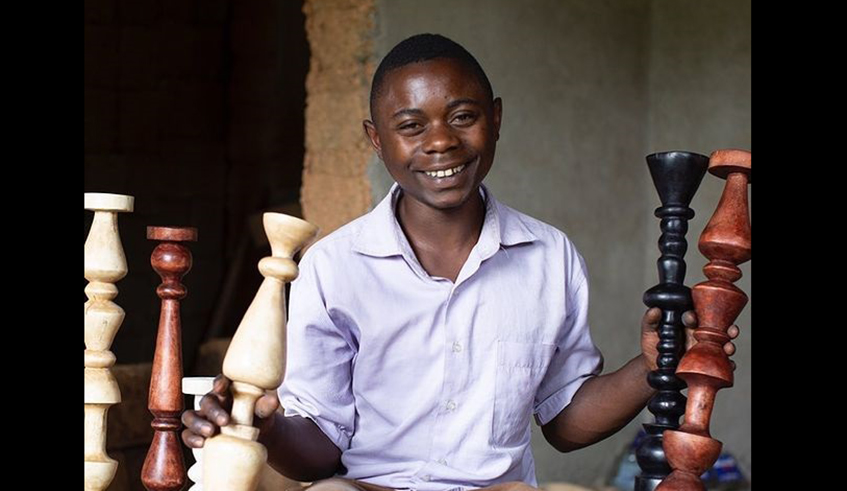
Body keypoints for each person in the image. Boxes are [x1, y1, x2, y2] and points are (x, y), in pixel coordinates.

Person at [182, 33, 738, 491]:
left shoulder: (549, 257)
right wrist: (266, 423)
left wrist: (654, 366)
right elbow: (317, 454)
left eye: (463, 116)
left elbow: (565, 423)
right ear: (376, 140)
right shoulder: (333, 266)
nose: (441, 143)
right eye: (410, 126)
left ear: (495, 119)